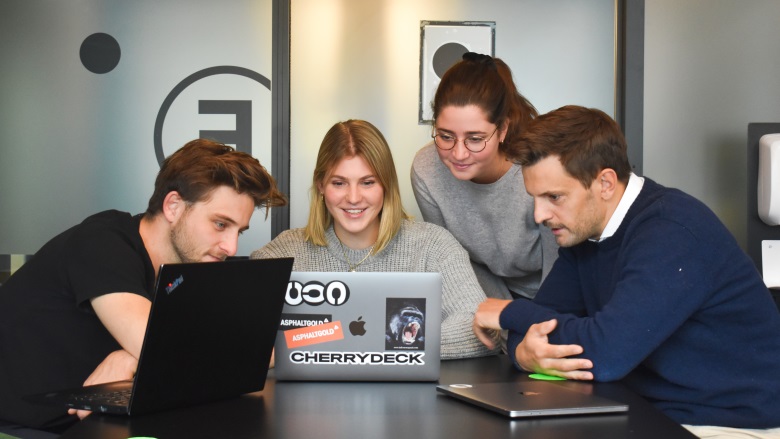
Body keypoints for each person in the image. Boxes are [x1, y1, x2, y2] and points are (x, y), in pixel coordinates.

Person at [473, 105, 780, 435]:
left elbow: (605, 354)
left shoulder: (671, 231)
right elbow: (543, 323)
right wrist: (524, 352)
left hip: (729, 423)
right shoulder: (584, 233)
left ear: (605, 183)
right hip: (647, 411)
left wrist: (509, 312)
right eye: (535, 198)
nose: (539, 215)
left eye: (554, 197)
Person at [0, 139, 287, 435]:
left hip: (103, 422)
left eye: (239, 231)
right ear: (173, 206)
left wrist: (130, 357)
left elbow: (256, 353)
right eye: (220, 224)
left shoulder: (192, 267)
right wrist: (146, 356)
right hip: (24, 427)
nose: (231, 247)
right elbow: (180, 358)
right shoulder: (101, 243)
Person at [252, 119, 496, 359]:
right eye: (339, 183)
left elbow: (481, 330)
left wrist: (359, 341)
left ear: (386, 185)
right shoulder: (284, 253)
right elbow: (243, 333)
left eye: (367, 183)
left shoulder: (434, 246)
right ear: (321, 185)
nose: (353, 198)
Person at [411, 52, 558, 307]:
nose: (458, 153)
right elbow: (453, 260)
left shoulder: (540, 165)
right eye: (445, 136)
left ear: (502, 130)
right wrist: (503, 317)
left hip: (558, 292)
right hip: (485, 297)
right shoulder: (426, 171)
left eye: (475, 139)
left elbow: (561, 261)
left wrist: (535, 319)